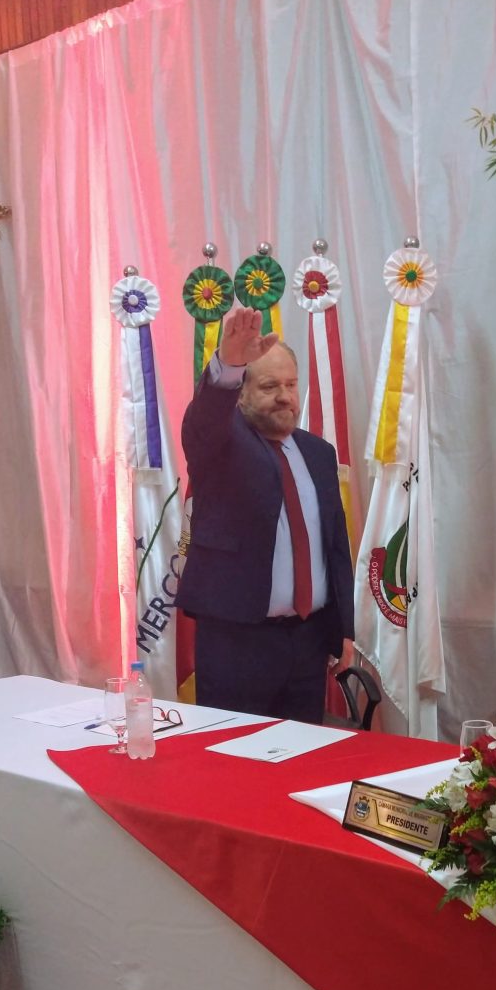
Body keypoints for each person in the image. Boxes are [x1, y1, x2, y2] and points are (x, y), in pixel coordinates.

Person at [177, 306, 354, 722]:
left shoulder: (318, 453)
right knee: (234, 755)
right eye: (270, 386)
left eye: (291, 384)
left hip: (308, 642)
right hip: (237, 643)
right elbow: (204, 421)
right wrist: (228, 366)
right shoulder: (221, 445)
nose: (285, 396)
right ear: (241, 394)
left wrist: (343, 629)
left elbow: (334, 547)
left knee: (302, 754)